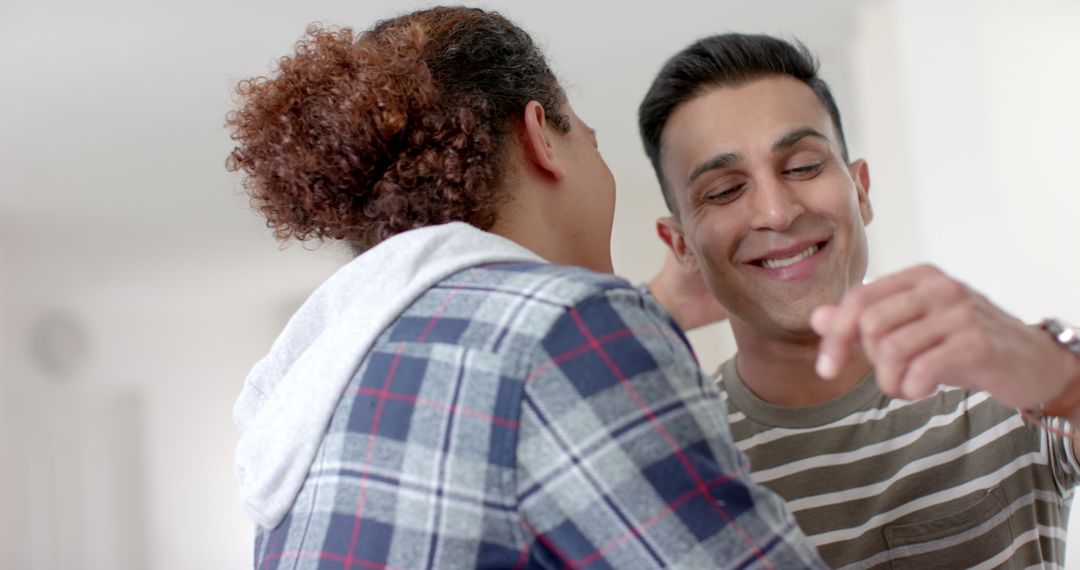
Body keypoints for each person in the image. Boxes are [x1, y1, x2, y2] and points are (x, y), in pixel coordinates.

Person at [226, 9, 825, 569]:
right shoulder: (569, 329)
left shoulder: (320, 388)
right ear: (541, 134)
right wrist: (613, 332)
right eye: (591, 139)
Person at [639, 33, 1080, 568]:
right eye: (725, 190)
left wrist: (1064, 377)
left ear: (861, 190)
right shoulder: (685, 463)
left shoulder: (1000, 380)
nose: (777, 213)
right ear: (681, 244)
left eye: (802, 166)